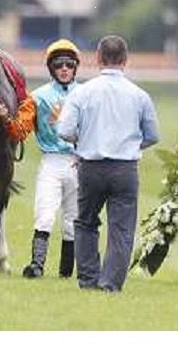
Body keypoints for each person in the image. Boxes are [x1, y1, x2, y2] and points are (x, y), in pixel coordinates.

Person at [57, 35, 160, 293]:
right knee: (121, 229)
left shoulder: (82, 92)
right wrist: (133, 146)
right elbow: (153, 136)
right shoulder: (140, 95)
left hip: (90, 166)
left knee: (86, 223)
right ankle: (110, 283)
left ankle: (88, 280)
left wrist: (81, 142)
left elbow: (65, 130)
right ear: (125, 60)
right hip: (125, 169)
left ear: (98, 58)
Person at [0, 39, 82, 279]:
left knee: (72, 221)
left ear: (76, 67)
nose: (64, 68)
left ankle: (66, 272)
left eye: (69, 64)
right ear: (51, 68)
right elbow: (20, 130)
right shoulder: (38, 96)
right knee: (44, 214)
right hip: (52, 161)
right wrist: (5, 119)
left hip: (79, 162)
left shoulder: (87, 94)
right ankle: (37, 265)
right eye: (59, 64)